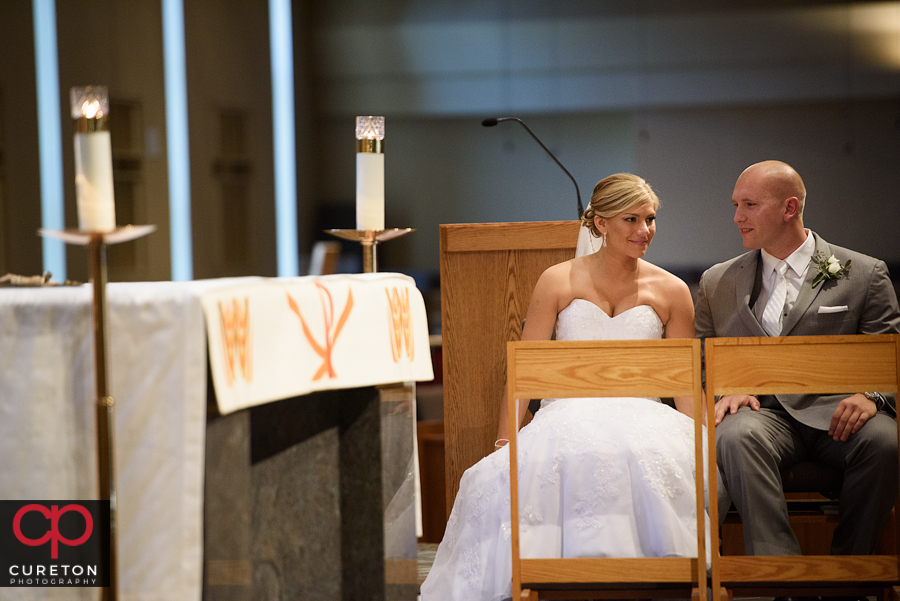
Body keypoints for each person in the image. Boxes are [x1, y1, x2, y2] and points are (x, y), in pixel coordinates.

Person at [420, 173, 707, 601]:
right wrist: (505, 439)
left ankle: (649, 581)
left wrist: (702, 437)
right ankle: (550, 579)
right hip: (567, 410)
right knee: (519, 469)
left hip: (644, 412)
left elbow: (683, 380)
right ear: (600, 223)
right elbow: (524, 371)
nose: (644, 231)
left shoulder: (672, 290)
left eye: (649, 219)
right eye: (630, 219)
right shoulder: (557, 280)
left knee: (648, 454)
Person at [694, 160, 900, 560]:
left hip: (839, 413)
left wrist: (872, 396)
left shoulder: (865, 273)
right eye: (736, 204)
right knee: (735, 436)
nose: (737, 217)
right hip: (762, 416)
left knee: (887, 441)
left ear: (789, 208)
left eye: (750, 205)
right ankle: (778, 569)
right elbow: (699, 361)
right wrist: (721, 391)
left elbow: (888, 353)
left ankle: (850, 572)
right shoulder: (716, 282)